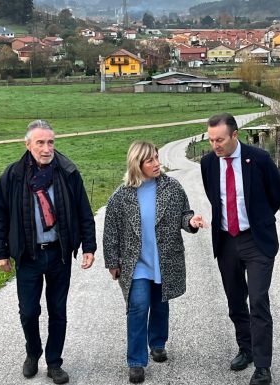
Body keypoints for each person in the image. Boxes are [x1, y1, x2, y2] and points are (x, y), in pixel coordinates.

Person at [0, 119, 97, 385]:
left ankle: (54, 362)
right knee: (28, 311)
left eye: (50, 142)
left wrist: (89, 246)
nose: (47, 148)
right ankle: (32, 352)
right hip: (29, 255)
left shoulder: (67, 171)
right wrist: (0, 251)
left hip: (59, 254)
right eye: (40, 142)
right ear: (27, 145)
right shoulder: (13, 176)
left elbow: (84, 210)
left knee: (58, 310)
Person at [103, 141, 207, 384]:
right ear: (137, 164)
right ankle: (136, 361)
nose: (157, 164)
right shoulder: (121, 195)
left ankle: (158, 343)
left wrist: (191, 222)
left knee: (161, 303)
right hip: (135, 262)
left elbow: (184, 214)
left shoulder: (172, 187)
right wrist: (112, 261)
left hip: (164, 258)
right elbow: (111, 231)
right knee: (138, 306)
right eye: (150, 160)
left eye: (157, 158)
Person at [200, 113, 280, 385]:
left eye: (220, 139)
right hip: (226, 241)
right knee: (235, 300)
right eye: (211, 140)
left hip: (256, 240)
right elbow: (215, 198)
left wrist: (257, 220)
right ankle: (245, 348)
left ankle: (262, 367)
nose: (216, 145)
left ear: (235, 135)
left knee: (258, 300)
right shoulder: (208, 163)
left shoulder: (258, 160)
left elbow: (276, 196)